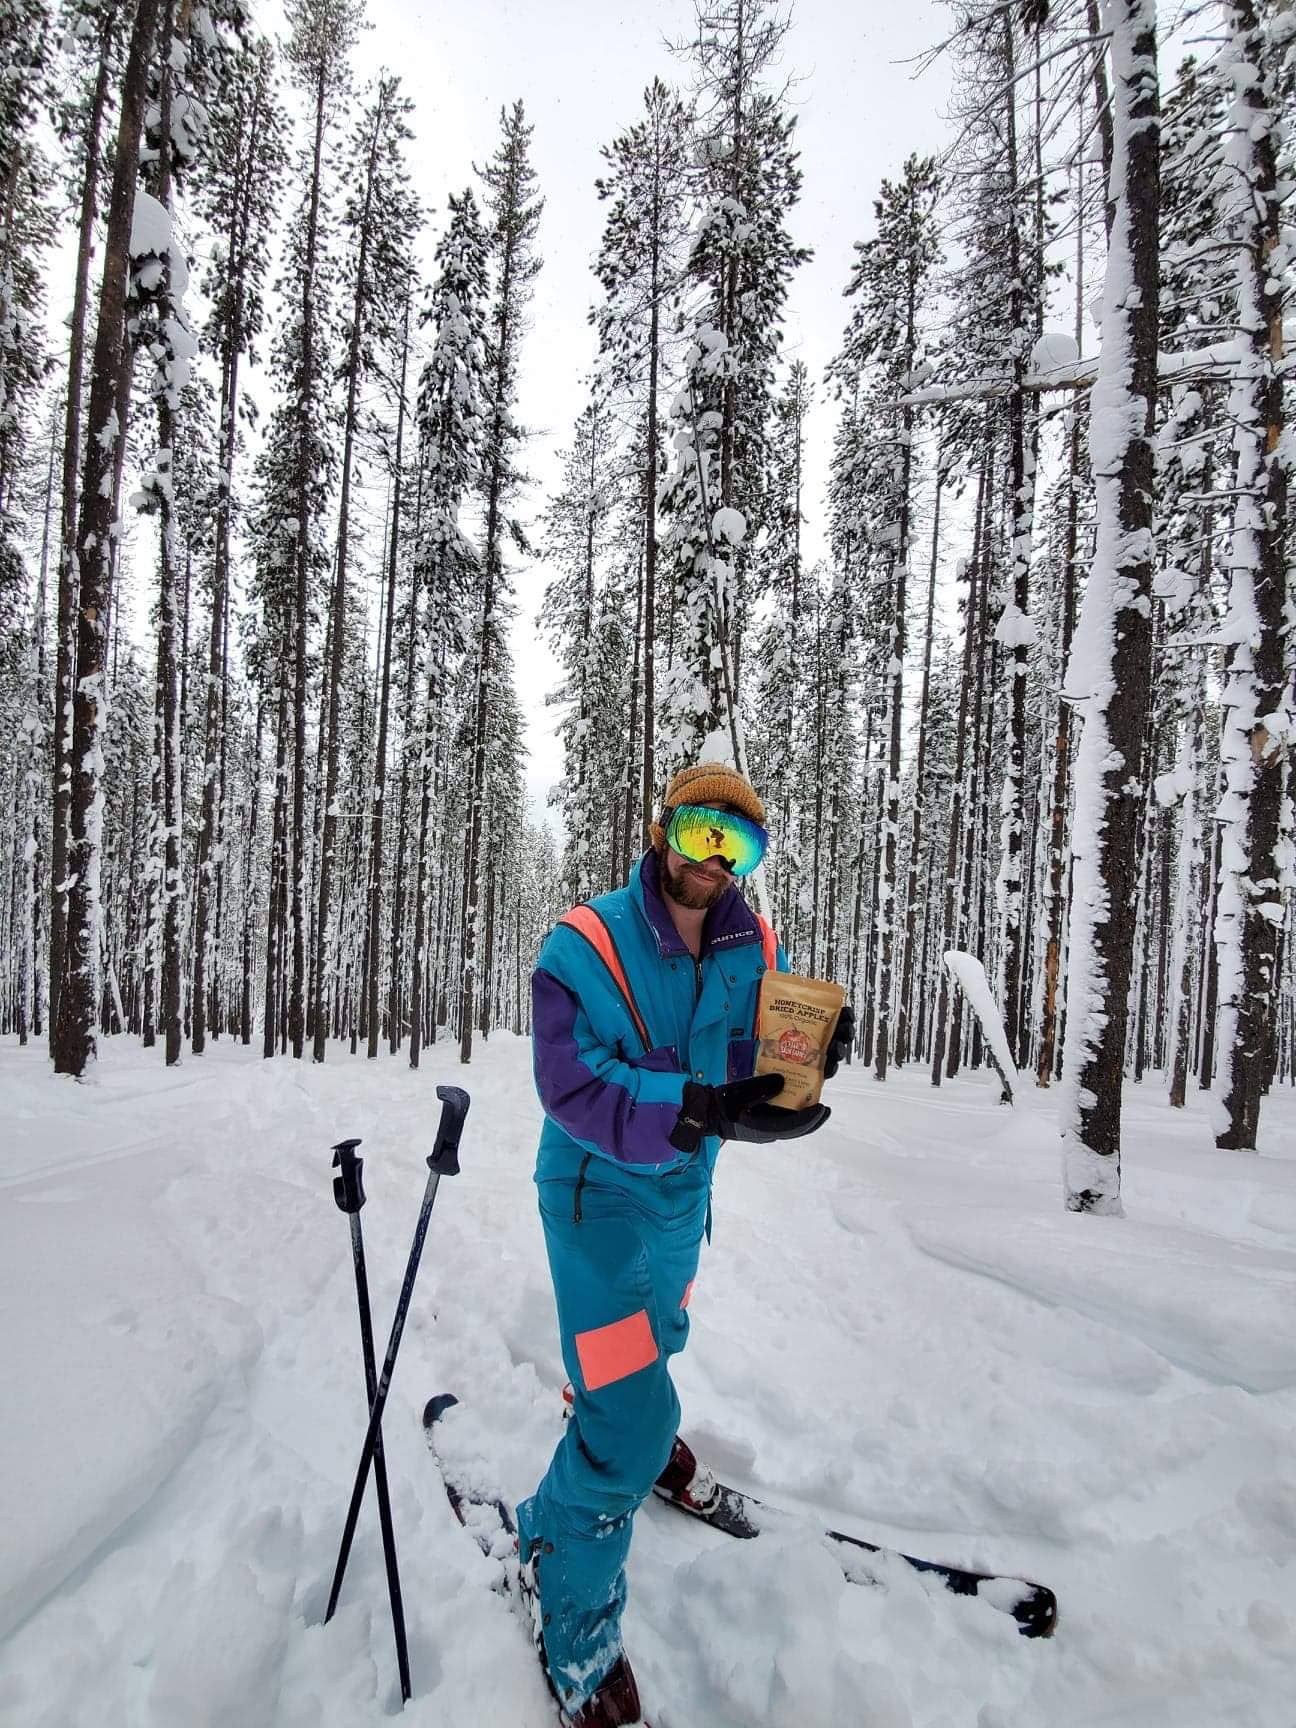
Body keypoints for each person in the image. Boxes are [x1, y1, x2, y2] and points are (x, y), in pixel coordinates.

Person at [517, 761, 854, 1727]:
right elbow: (570, 1085)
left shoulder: (755, 942)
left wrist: (802, 1063)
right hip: (596, 1193)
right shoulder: (586, 942)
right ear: (663, 827)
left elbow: (744, 1058)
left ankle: (611, 1449)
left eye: (737, 846)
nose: (715, 862)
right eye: (702, 833)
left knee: (656, 1341)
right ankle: (573, 1605)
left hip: (681, 1197)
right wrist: (692, 1105)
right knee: (622, 1421)